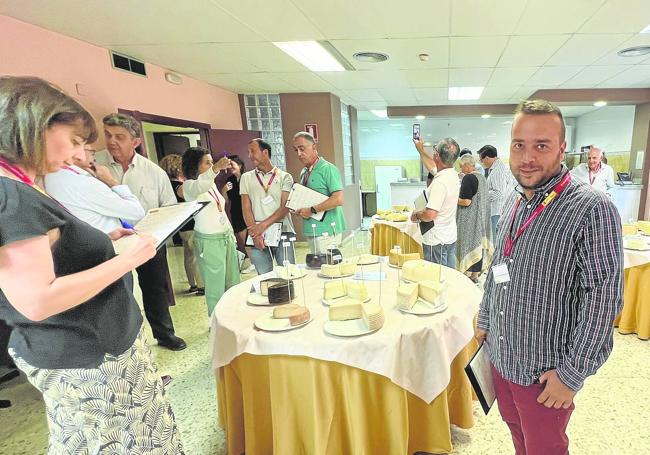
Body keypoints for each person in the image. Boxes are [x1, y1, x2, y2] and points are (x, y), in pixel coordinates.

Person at [0, 76, 183, 453]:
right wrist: (126, 260)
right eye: (74, 141)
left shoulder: (23, 184)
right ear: (35, 128)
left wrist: (102, 245)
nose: (76, 154)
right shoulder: (11, 195)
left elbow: (54, 257)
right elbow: (37, 300)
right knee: (131, 442)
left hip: (90, 343)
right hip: (89, 353)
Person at [476, 99, 623, 455]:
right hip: (503, 355)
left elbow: (603, 299)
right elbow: (501, 264)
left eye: (541, 145)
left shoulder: (591, 208)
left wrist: (572, 376)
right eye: (519, 145)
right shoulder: (516, 199)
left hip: (544, 374)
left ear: (561, 149)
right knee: (518, 436)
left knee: (544, 448)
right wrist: (485, 316)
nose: (528, 157)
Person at [94, 113, 186, 351]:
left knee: (155, 288)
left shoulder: (153, 172)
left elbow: (168, 207)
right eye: (108, 135)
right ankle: (127, 344)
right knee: (117, 290)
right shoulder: (94, 166)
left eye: (120, 137)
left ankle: (165, 334)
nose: (112, 141)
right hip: (109, 241)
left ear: (135, 141)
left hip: (149, 239)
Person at [180, 147, 240, 316]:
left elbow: (220, 210)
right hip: (209, 240)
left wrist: (231, 233)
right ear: (195, 166)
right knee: (215, 286)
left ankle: (232, 317)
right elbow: (201, 185)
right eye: (208, 163)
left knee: (232, 281)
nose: (213, 165)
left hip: (225, 237)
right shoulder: (189, 186)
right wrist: (216, 169)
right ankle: (216, 323)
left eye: (212, 162)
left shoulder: (211, 185)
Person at [43, 144, 145, 233]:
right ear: (78, 155)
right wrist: (110, 180)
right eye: (90, 152)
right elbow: (137, 211)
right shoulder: (83, 183)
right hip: (113, 245)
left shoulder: (52, 176)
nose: (93, 155)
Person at [240, 138, 295, 274]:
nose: (250, 156)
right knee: (264, 278)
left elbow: (285, 207)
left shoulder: (285, 177)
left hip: (283, 233)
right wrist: (255, 233)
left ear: (265, 152)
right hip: (257, 236)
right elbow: (246, 208)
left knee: (289, 274)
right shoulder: (246, 178)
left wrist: (262, 226)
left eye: (253, 151)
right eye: (248, 152)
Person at [410, 137, 460, 268]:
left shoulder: (439, 183)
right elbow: (432, 166)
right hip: (448, 237)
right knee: (449, 276)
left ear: (436, 155)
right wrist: (420, 150)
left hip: (436, 241)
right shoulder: (452, 174)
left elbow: (430, 215)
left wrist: (416, 215)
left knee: (436, 279)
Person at [293, 132, 346, 252]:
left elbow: (338, 199)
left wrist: (311, 210)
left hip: (327, 230)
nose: (299, 154)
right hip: (312, 228)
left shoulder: (328, 169)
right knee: (317, 267)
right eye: (296, 150)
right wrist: (299, 207)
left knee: (329, 267)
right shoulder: (304, 172)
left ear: (314, 147)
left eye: (302, 149)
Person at [159, 154, 204, 295]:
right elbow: (190, 197)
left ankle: (192, 283)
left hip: (181, 226)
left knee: (189, 255)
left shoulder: (166, 186)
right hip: (190, 224)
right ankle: (201, 285)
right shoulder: (179, 186)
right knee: (197, 255)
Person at [456, 153, 492, 282]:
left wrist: (452, 199)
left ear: (467, 165)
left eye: (461, 166)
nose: (460, 169)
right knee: (478, 244)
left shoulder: (468, 178)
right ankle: (475, 276)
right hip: (481, 218)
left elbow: (466, 202)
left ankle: (467, 274)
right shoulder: (482, 177)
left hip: (470, 219)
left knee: (468, 244)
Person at [220, 155, 253, 272]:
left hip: (249, 211)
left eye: (232, 165)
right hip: (236, 212)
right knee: (244, 239)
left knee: (252, 237)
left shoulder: (248, 177)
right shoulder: (230, 180)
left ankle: (254, 262)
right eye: (229, 166)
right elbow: (226, 200)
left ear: (240, 165)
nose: (230, 168)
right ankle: (252, 261)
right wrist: (223, 190)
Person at [478, 144, 516, 241]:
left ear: (486, 158)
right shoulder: (497, 168)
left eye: (481, 160)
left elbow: (498, 193)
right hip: (498, 210)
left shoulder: (497, 171)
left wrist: (482, 194)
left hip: (497, 211)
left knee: (495, 240)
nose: (481, 163)